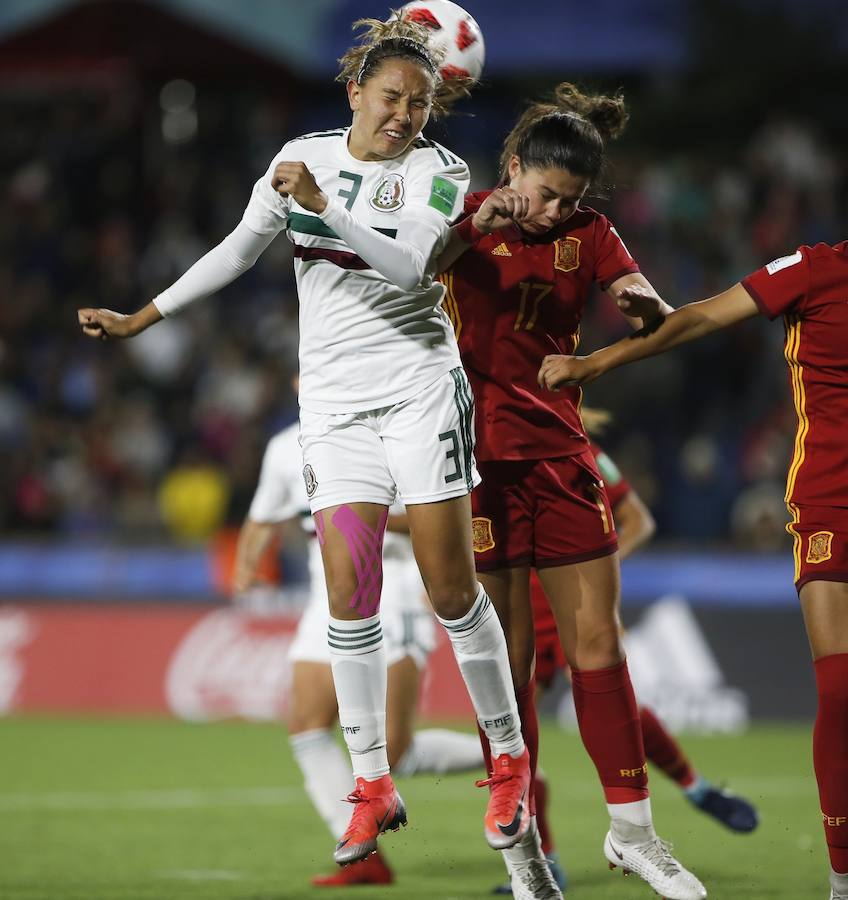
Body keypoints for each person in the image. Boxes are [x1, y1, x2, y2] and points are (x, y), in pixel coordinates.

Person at [78, 16, 532, 875]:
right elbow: (238, 249)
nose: (404, 116)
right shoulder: (303, 156)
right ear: (355, 92)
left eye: (420, 103)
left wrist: (327, 213)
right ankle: (371, 785)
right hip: (333, 407)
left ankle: (507, 762)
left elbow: (410, 271)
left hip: (419, 393)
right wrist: (144, 315)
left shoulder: (439, 171)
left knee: (447, 585)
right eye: (391, 97)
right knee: (349, 594)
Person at [437, 83, 707, 900]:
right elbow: (407, 269)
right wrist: (465, 228)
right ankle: (525, 864)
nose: (554, 212)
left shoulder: (590, 234)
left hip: (560, 455)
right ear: (513, 165)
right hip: (475, 466)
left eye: (570, 200)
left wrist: (640, 304)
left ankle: (635, 836)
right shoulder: (467, 215)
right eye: (545, 193)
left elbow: (644, 304)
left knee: (599, 643)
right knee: (507, 664)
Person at [537, 241, 848, 900]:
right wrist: (598, 360)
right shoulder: (817, 269)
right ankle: (842, 881)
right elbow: (702, 317)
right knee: (842, 694)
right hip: (833, 502)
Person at [234, 417, 482, 887]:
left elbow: (438, 512)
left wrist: (368, 516)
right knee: (307, 728)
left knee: (395, 749)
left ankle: (507, 755)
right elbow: (263, 514)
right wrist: (247, 564)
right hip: (323, 595)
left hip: (393, 588)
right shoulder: (285, 445)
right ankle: (365, 860)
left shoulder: (394, 426)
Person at [520, 418, 758, 894]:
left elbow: (639, 521)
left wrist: (595, 577)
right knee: (517, 741)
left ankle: (695, 788)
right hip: (519, 607)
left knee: (607, 699)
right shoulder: (485, 448)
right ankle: (541, 863)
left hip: (572, 606)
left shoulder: (582, 452)